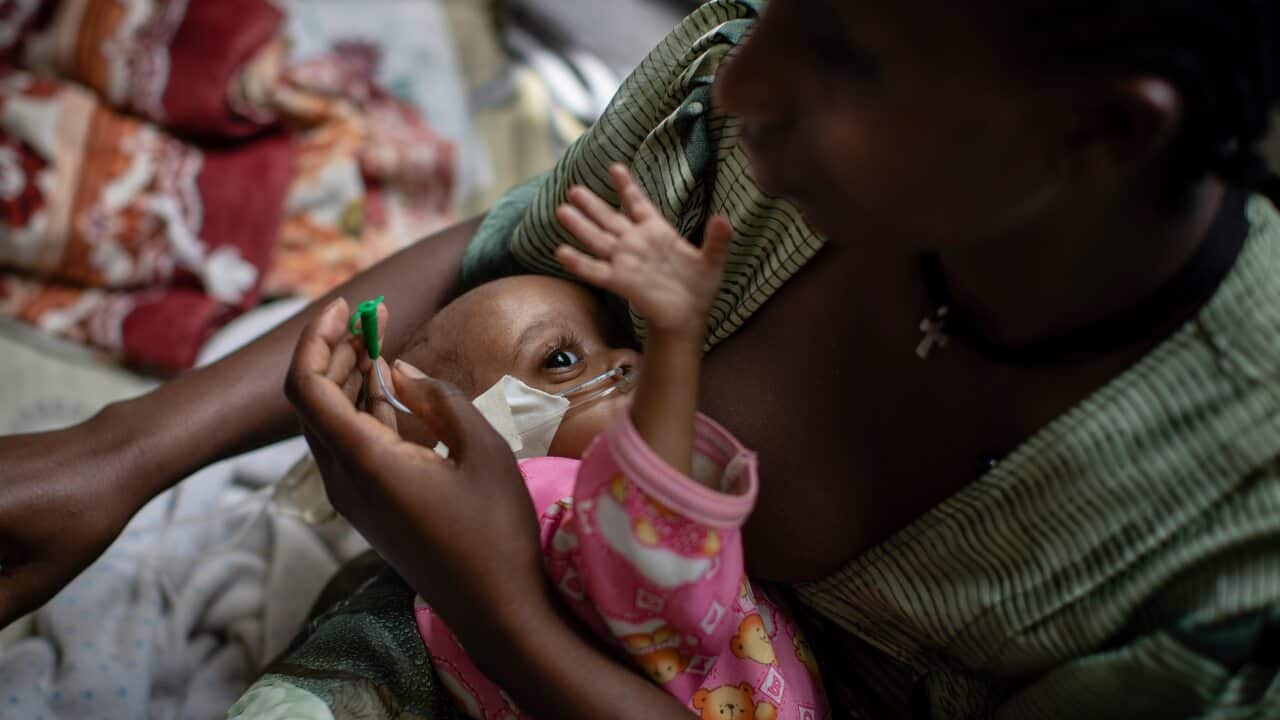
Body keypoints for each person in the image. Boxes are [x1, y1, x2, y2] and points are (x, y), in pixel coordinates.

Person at [8, 0, 1280, 717]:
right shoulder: (749, 114)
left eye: (844, 57)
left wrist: (504, 606)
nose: (739, 81)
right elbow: (505, 248)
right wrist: (122, 454)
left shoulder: (1231, 537)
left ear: (1103, 134)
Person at [389, 165, 825, 718]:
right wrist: (673, 338)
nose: (625, 358)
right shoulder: (539, 499)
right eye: (561, 359)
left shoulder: (477, 560)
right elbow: (658, 564)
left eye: (614, 339)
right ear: (474, 439)